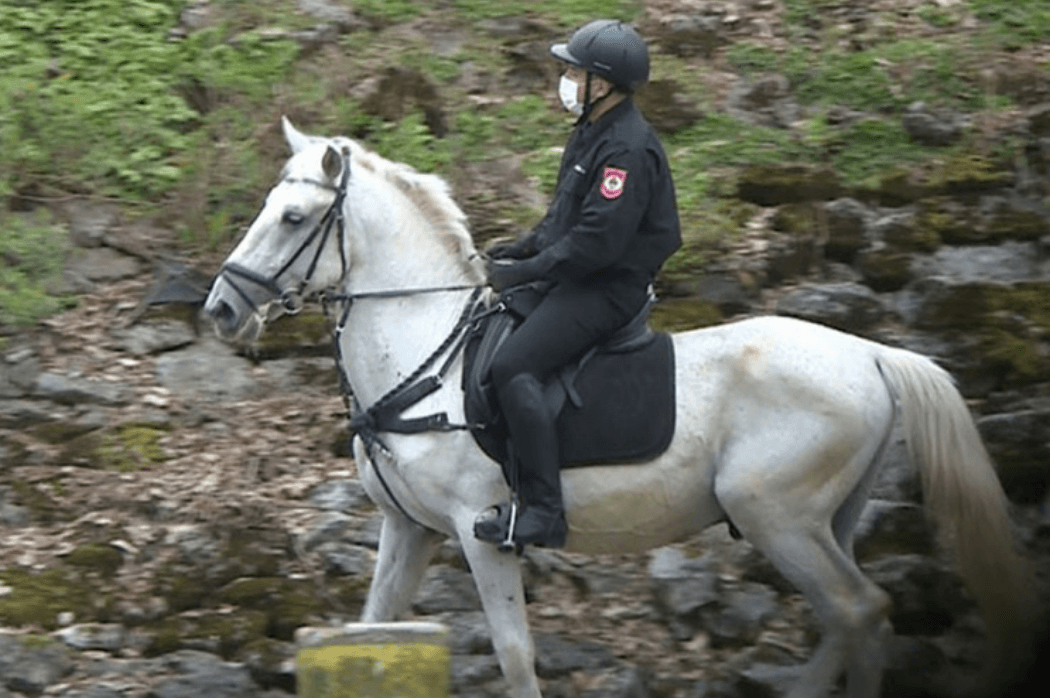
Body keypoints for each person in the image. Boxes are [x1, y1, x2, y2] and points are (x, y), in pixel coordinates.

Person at [473, 19, 682, 549]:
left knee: (512, 365)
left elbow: (596, 244)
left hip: (608, 288)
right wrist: (521, 247)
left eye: (574, 71)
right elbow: (564, 216)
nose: (564, 79)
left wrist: (527, 272)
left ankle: (543, 510)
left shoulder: (627, 149)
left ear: (604, 83)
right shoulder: (594, 130)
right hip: (580, 276)